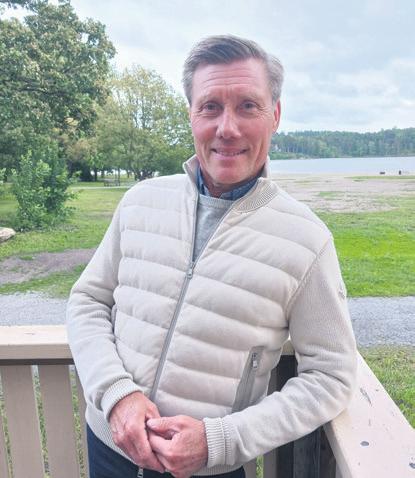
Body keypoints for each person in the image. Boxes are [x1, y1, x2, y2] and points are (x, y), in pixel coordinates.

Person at [67, 35, 357, 478]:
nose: (227, 128)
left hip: (211, 468)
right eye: (210, 107)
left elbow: (331, 376)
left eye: (247, 106)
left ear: (275, 115)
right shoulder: (140, 201)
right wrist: (117, 396)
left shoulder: (307, 239)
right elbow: (87, 301)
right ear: (191, 115)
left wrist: (220, 440)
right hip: (110, 447)